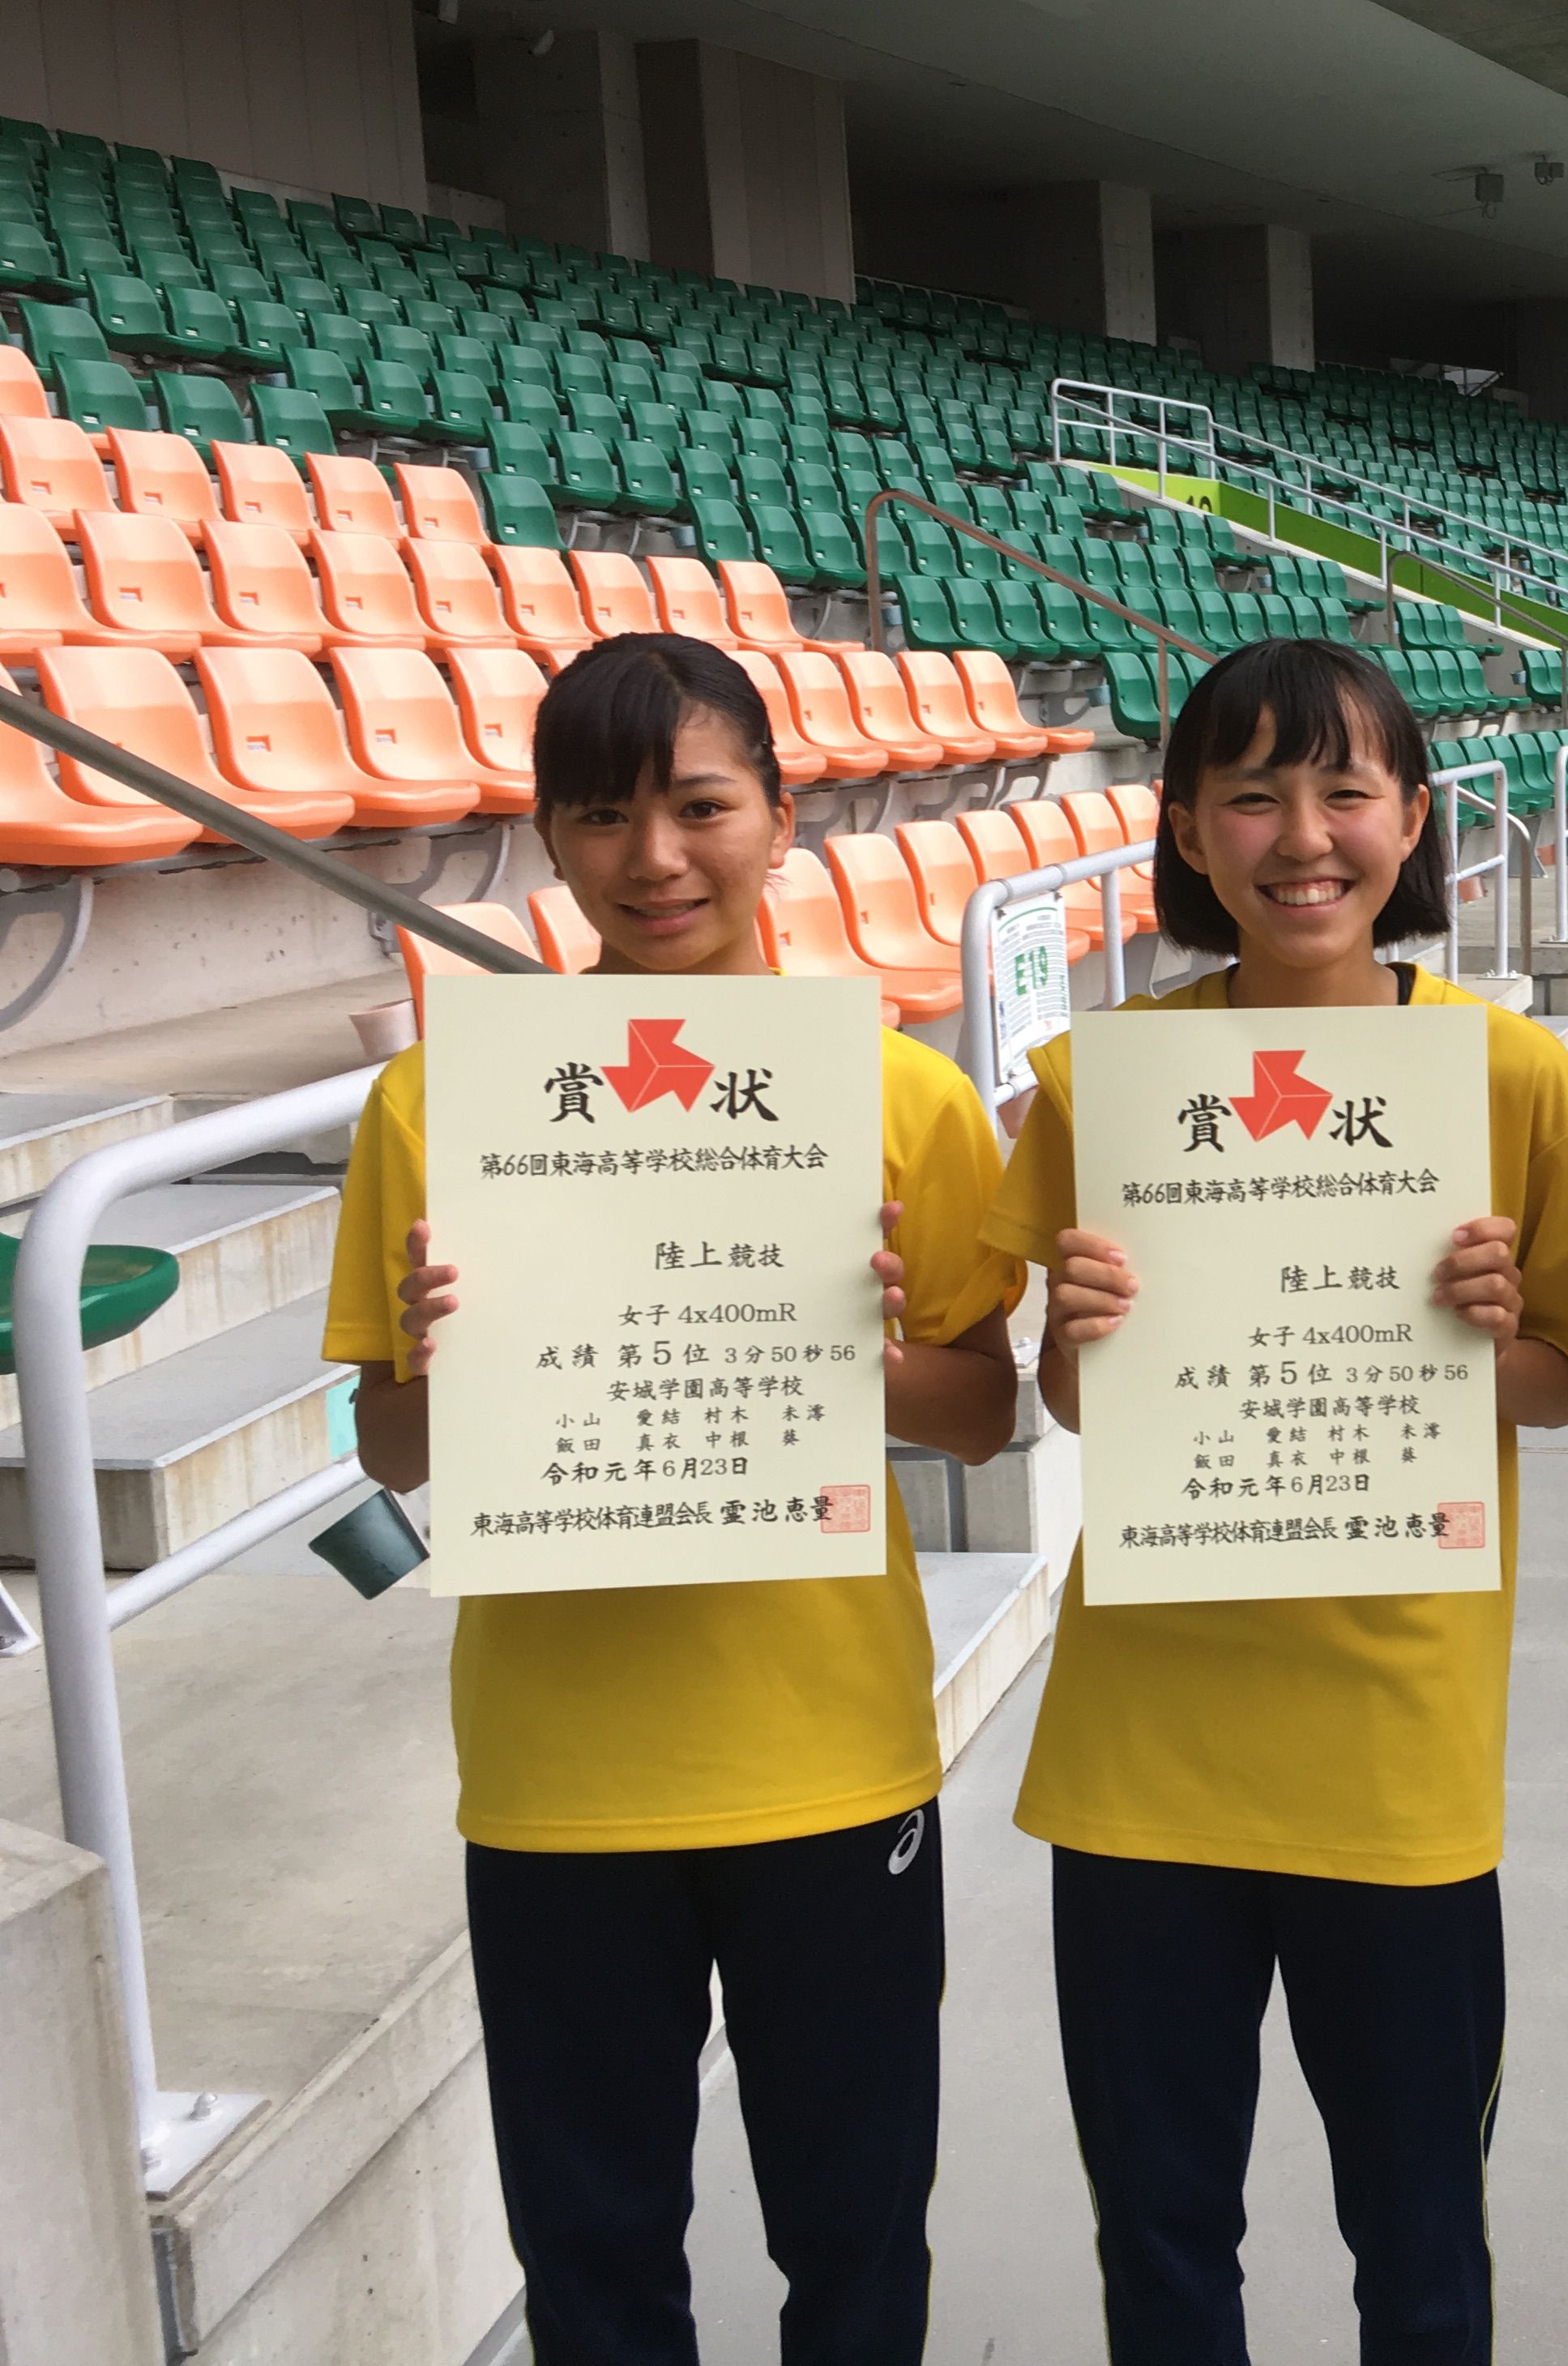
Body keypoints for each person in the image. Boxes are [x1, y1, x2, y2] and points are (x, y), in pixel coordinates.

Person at [325, 632, 1023, 2365]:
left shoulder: (903, 1097)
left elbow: (988, 1414)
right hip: (563, 1784)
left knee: (856, 2245)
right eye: (602, 816)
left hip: (827, 1759)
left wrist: (847, 1359)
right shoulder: (443, 1109)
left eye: (701, 806)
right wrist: (432, 1361)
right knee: (597, 2257)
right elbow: (390, 1453)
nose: (656, 860)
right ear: (547, 841)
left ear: (781, 817)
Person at [984, 638, 1568, 2365]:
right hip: (1144, 1759)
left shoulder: (1508, 1081)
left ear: (1412, 820)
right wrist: (1083, 1340)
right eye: (1251, 792)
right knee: (1166, 2242)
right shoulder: (1098, 1085)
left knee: (1419, 2244)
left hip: (1395, 1748)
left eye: (1346, 790)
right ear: (1188, 830)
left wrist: (1484, 1339)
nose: (1303, 835)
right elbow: (1061, 1394)